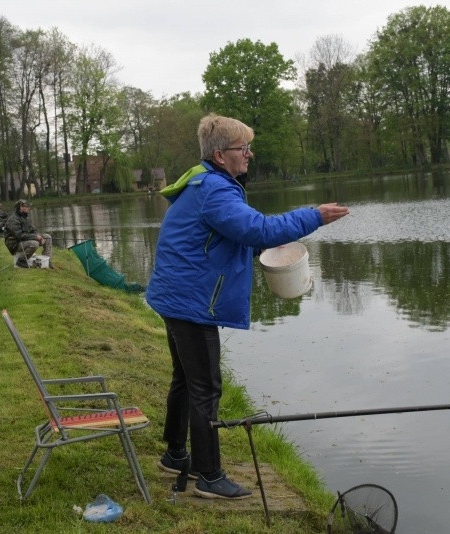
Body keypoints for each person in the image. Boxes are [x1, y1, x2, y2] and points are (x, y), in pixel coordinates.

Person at [145, 114, 349, 500]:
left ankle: (175, 455)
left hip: (174, 295)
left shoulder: (203, 182)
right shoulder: (217, 191)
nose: (250, 155)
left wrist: (258, 247)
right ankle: (208, 476)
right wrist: (314, 217)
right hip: (192, 303)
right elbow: (259, 229)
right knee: (206, 387)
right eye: (244, 149)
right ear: (221, 155)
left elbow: (231, 236)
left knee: (186, 380)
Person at [3, 199, 53, 268]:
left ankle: (47, 259)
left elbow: (32, 229)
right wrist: (35, 237)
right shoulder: (13, 219)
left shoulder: (23, 217)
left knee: (47, 237)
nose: (29, 208)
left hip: (24, 240)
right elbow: (19, 236)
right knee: (34, 244)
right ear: (21, 207)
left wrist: (38, 235)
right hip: (14, 243)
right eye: (27, 206)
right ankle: (21, 261)